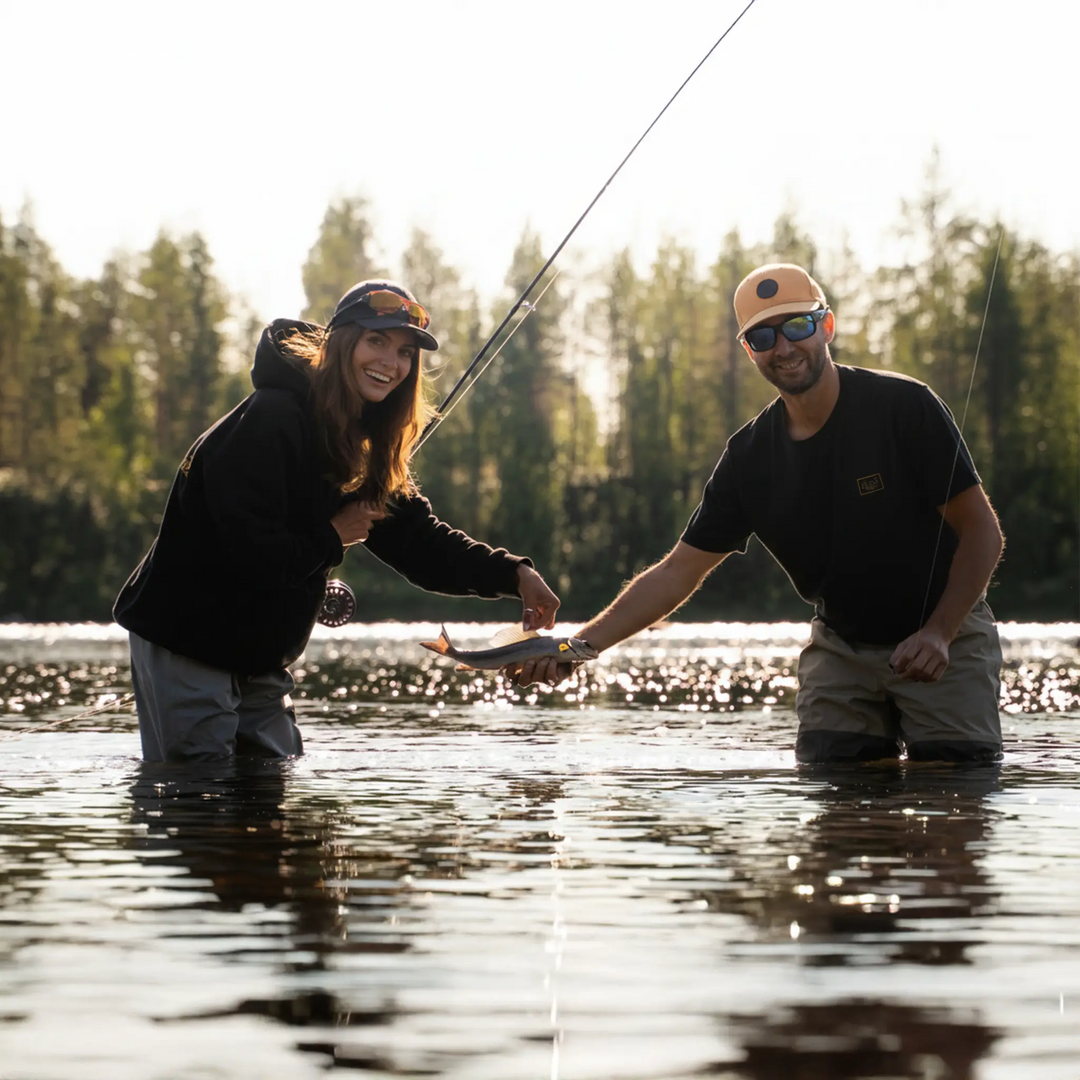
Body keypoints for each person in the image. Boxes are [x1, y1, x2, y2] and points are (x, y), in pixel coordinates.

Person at [515, 263, 1005, 764]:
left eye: (798, 326)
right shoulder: (749, 458)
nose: (785, 347)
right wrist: (576, 649)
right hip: (842, 648)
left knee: (953, 799)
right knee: (834, 801)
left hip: (946, 631)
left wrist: (940, 632)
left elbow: (983, 532)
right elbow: (678, 572)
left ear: (827, 326)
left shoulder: (905, 407)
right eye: (764, 335)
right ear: (749, 350)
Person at [115, 280, 560, 762]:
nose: (392, 363)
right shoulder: (270, 419)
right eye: (377, 341)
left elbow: (421, 545)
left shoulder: (364, 441)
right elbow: (245, 552)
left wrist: (515, 574)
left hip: (260, 652)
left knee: (274, 785)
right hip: (189, 635)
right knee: (199, 795)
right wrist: (331, 537)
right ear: (341, 342)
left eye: (406, 352)